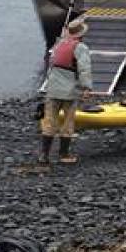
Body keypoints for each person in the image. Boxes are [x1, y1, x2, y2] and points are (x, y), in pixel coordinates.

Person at [40, 16, 93, 165]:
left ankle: (44, 155)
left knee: (49, 121)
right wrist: (86, 87)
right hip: (69, 90)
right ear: (81, 34)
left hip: (53, 87)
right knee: (68, 122)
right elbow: (84, 69)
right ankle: (64, 154)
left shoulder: (59, 44)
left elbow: (51, 64)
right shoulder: (81, 47)